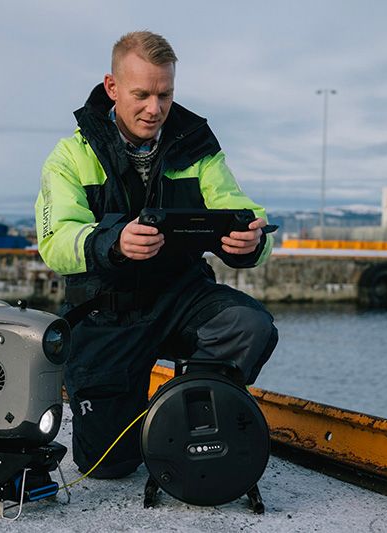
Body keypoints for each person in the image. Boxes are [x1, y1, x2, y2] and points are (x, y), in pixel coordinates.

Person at [34, 31, 279, 479]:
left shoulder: (197, 147)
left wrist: (252, 242)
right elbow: (56, 242)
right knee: (108, 466)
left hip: (181, 297)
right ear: (112, 87)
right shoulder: (69, 156)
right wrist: (113, 242)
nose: (155, 108)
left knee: (250, 325)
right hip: (106, 313)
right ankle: (134, 414)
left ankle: (187, 416)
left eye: (165, 94)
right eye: (142, 94)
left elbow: (242, 211)